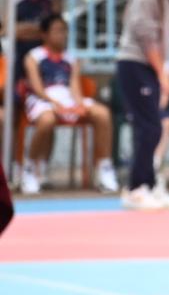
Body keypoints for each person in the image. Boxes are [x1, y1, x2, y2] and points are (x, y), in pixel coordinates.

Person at [115, 0, 169, 211]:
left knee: (155, 125)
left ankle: (151, 184)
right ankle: (136, 188)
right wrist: (161, 73)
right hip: (135, 64)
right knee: (149, 126)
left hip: (150, 67)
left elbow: (163, 41)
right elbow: (146, 38)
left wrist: (164, 72)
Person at [17, 13, 116, 196]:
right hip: (42, 99)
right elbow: (36, 86)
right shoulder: (34, 56)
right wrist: (53, 103)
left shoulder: (71, 59)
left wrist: (78, 104)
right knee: (47, 120)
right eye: (57, 31)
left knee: (102, 113)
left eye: (64, 30)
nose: (62, 35)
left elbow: (74, 87)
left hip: (66, 98)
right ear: (45, 34)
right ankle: (30, 168)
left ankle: (105, 169)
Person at [13, 0, 59, 80]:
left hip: (44, 55)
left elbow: (54, 28)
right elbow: (9, 29)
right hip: (20, 53)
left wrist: (24, 28)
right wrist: (39, 27)